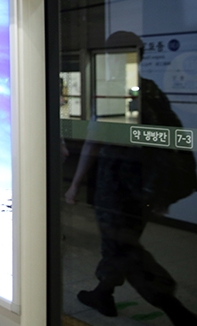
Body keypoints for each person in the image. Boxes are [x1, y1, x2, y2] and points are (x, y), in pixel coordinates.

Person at [65, 31, 197, 325]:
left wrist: (74, 185)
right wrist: (161, 193)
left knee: (124, 249)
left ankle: (174, 308)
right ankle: (103, 294)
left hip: (117, 190)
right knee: (119, 245)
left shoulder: (115, 90)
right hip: (143, 191)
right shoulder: (151, 89)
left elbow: (94, 143)